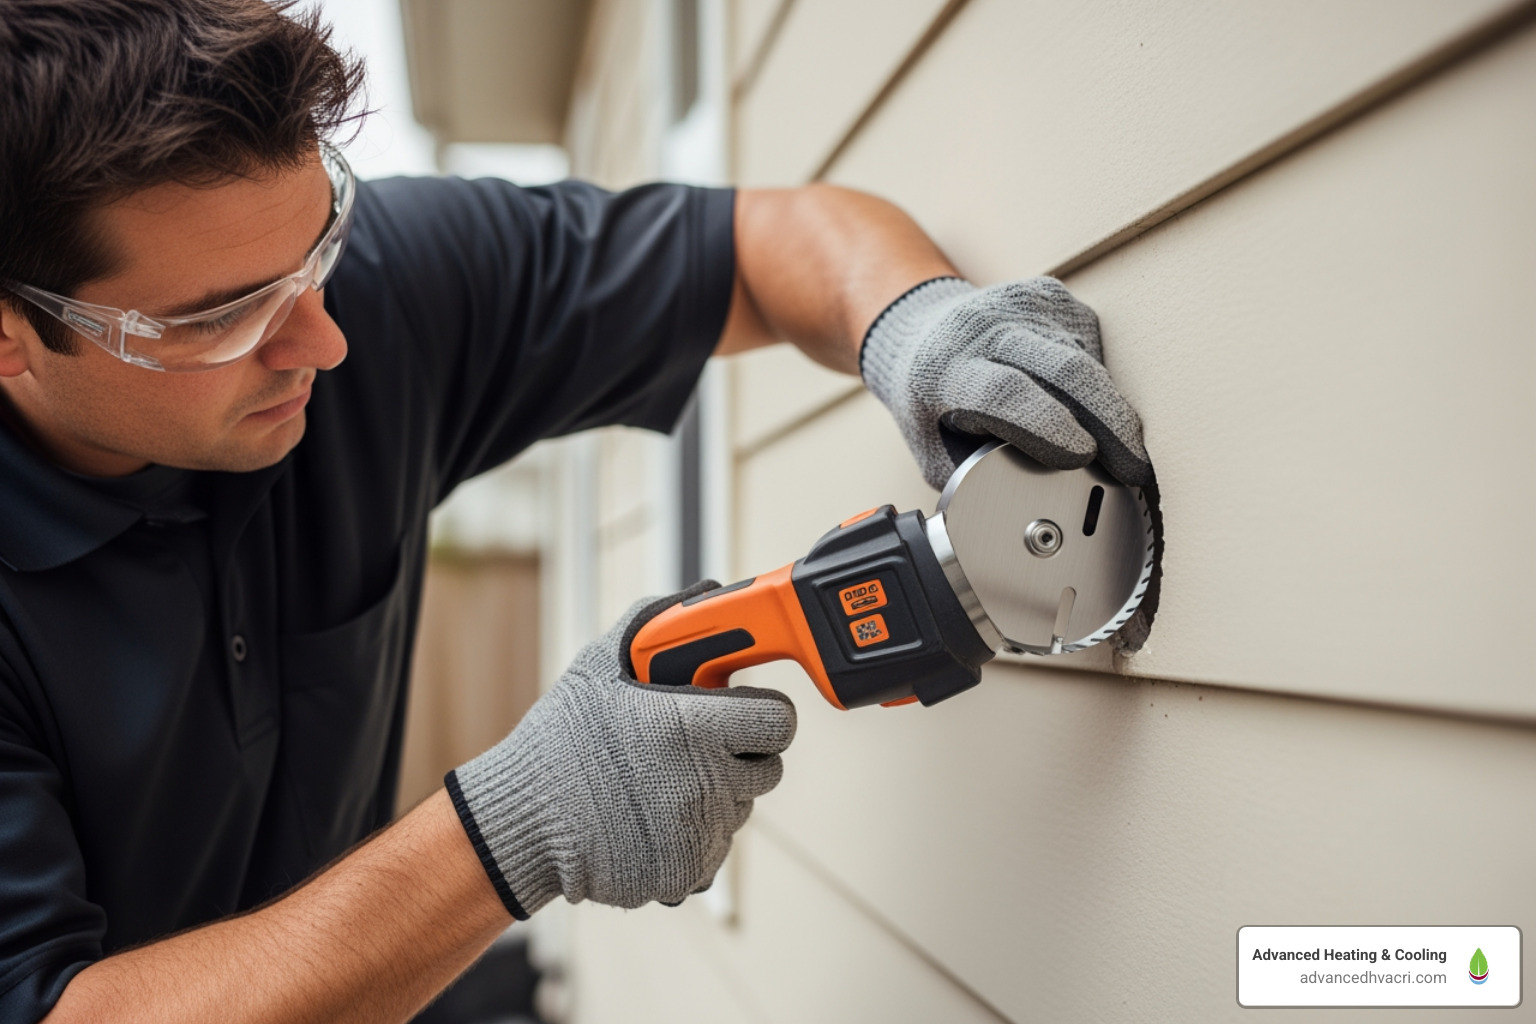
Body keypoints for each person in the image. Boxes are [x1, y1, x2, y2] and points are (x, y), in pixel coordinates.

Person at [0, 1, 1153, 1021]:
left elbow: (763, 246)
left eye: (319, 252)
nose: (325, 339)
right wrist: (520, 821)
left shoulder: (377, 290)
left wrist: (917, 324)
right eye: (221, 318)